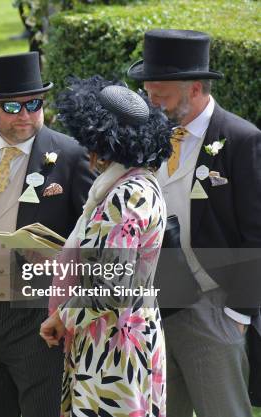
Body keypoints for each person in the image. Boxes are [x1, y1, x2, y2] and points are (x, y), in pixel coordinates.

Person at [0, 51, 95, 417]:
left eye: (34, 104)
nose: (26, 115)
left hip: (36, 314)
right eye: (13, 107)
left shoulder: (70, 154)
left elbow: (91, 235)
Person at [127, 29, 261, 416]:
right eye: (148, 92)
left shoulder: (241, 139)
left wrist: (238, 315)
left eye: (161, 95)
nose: (151, 102)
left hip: (212, 308)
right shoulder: (148, 132)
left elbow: (256, 232)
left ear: (196, 88)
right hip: (152, 306)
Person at [40, 75, 173, 416]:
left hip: (115, 346)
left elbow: (110, 287)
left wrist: (63, 316)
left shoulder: (126, 195)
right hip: (122, 333)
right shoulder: (136, 183)